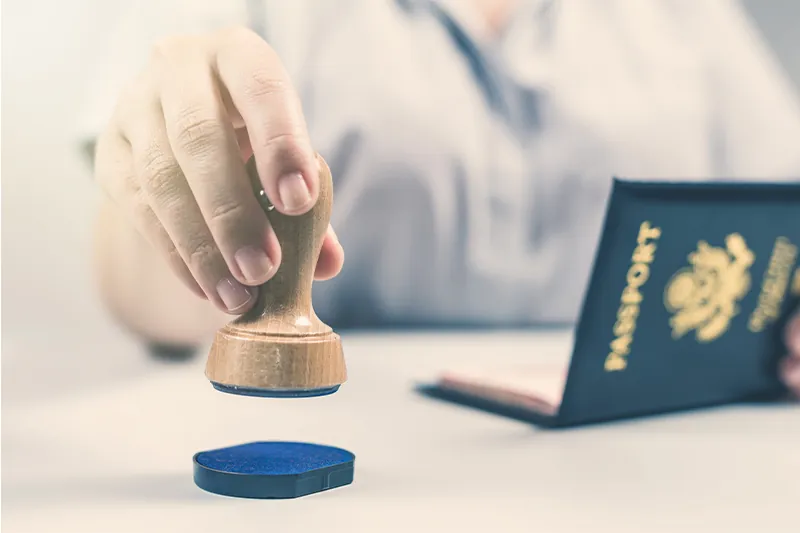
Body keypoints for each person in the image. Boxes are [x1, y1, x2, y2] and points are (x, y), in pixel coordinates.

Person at [82, 0, 800, 394]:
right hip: (356, 453)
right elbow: (157, 302)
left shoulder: (693, 18)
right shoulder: (242, 12)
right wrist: (177, 204)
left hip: (660, 452)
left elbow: (785, 216)